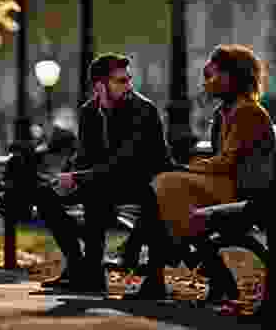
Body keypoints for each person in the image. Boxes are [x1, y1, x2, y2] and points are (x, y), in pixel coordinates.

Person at [124, 44, 276, 300]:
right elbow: (221, 162)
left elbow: (227, 162)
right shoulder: (225, 112)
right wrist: (187, 169)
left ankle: (147, 264)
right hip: (225, 187)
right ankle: (201, 276)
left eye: (213, 76)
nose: (208, 83)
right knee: (165, 191)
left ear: (233, 77)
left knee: (165, 187)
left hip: (244, 191)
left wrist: (186, 168)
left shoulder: (247, 111)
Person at [36, 53, 175, 294]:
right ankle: (80, 266)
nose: (129, 86)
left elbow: (125, 162)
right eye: (121, 81)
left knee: (95, 192)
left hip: (142, 181)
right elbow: (84, 155)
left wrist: (79, 177)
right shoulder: (89, 111)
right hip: (103, 179)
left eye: (128, 79)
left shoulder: (142, 110)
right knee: (45, 195)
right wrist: (68, 177)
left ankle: (92, 273)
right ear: (100, 85)